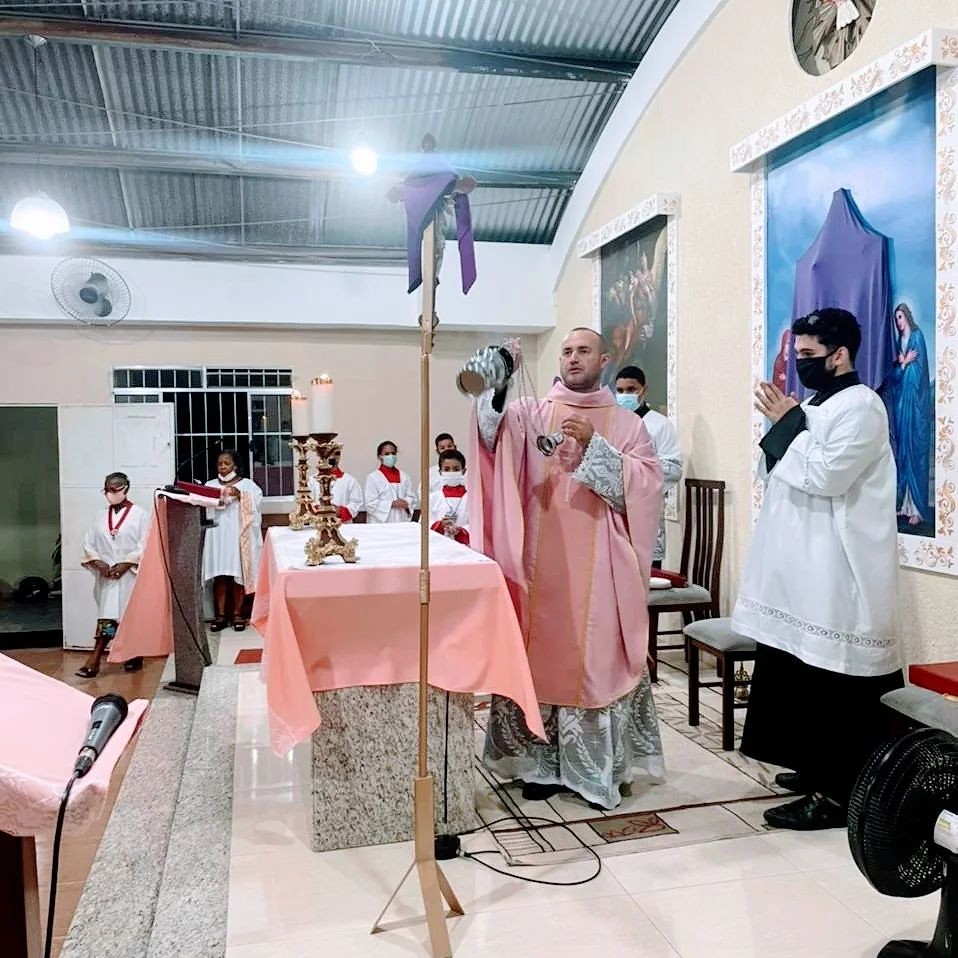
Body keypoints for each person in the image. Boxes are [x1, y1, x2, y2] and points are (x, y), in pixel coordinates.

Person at [474, 327, 665, 810]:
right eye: (566, 351)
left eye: (583, 351)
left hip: (601, 564)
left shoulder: (627, 425)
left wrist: (597, 450)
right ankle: (540, 765)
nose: (573, 358)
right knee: (540, 654)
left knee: (594, 656)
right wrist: (498, 387)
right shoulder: (531, 412)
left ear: (604, 359)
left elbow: (644, 491)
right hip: (538, 562)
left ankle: (595, 766)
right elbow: (490, 434)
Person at [733, 308, 904, 831]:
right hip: (797, 567)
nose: (799, 365)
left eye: (807, 356)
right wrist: (783, 425)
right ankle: (811, 765)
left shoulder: (863, 406)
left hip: (837, 570)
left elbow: (828, 475)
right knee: (795, 670)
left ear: (840, 354)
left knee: (833, 684)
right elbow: (774, 467)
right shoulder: (812, 402)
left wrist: (787, 424)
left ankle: (838, 791)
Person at [76, 472, 149, 678]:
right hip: (107, 576)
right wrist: (99, 563)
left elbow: (144, 544)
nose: (110, 493)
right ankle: (115, 655)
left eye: (115, 489)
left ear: (126, 489)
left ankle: (99, 658)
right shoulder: (100, 516)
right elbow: (88, 543)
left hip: (129, 576)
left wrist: (126, 564)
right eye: (107, 489)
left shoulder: (140, 515)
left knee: (128, 617)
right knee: (108, 617)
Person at [614, 365, 682, 567]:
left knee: (648, 583)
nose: (625, 395)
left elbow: (673, 469)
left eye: (631, 390)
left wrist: (631, 468)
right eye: (620, 391)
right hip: (614, 517)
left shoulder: (660, 425)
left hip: (645, 511)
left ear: (644, 390)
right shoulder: (612, 423)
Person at [202, 450, 263, 632]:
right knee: (220, 574)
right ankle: (220, 616)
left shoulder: (248, 485)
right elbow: (203, 507)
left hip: (238, 535)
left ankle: (237, 614)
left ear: (235, 465)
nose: (222, 467)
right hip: (217, 535)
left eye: (226, 463)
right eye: (220, 463)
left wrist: (240, 495)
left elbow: (257, 505)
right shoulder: (210, 485)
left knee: (237, 575)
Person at [885, 303, 932, 528]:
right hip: (902, 405)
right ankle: (904, 506)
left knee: (914, 451)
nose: (898, 322)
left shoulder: (917, 337)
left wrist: (908, 366)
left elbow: (920, 372)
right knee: (903, 453)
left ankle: (918, 510)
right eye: (896, 319)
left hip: (914, 405)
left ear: (908, 317)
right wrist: (903, 364)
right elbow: (895, 375)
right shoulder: (898, 344)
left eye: (901, 317)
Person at [364, 441, 417, 523]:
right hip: (380, 524)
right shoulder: (373, 478)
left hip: (401, 521)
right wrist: (391, 504)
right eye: (387, 454)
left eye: (393, 453)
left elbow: (412, 498)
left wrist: (406, 502)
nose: (391, 456)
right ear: (379, 457)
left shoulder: (404, 476)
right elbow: (370, 504)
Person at [427, 449, 469, 546]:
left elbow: (477, 525)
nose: (451, 472)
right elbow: (424, 524)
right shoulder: (433, 498)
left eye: (456, 469)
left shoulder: (472, 498)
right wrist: (440, 525)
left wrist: (460, 531)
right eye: (446, 469)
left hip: (465, 548)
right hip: (439, 547)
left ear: (463, 471)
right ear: (440, 472)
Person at [308, 451, 364, 523]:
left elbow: (356, 503)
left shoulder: (350, 480)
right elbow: (308, 502)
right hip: (319, 523)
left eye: (336, 454)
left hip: (343, 525)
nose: (333, 457)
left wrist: (340, 511)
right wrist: (320, 509)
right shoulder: (313, 479)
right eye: (329, 454)